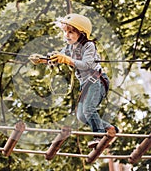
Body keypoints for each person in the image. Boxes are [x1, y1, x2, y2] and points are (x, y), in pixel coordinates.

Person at [29, 13, 118, 148]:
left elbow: (86, 65)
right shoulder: (69, 48)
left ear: (81, 34)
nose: (67, 35)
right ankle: (110, 129)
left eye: (71, 32)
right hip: (86, 83)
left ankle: (99, 136)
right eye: (65, 32)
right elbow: (57, 57)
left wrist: (67, 60)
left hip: (96, 80)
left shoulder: (89, 46)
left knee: (88, 109)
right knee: (82, 116)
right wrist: (44, 59)